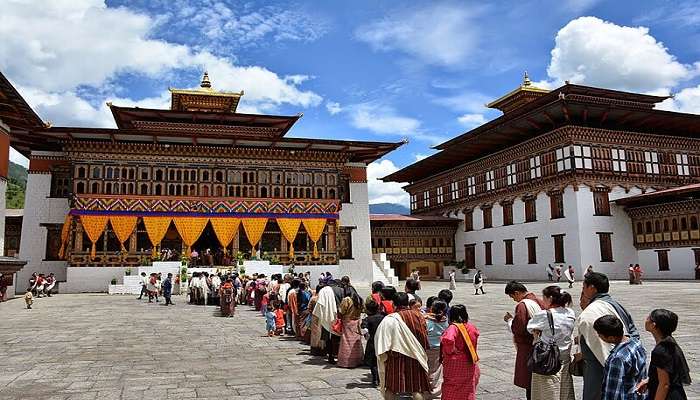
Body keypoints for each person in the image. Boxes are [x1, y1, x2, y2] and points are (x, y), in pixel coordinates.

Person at [576, 272, 640, 400]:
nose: (583, 291)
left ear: (592, 288)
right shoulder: (616, 305)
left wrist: (615, 368)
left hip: (599, 371)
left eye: (584, 287)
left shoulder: (591, 312)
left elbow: (602, 348)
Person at [375, 292, 430, 399]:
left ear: (393, 304)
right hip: (415, 356)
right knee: (416, 389)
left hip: (395, 358)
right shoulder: (419, 316)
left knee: (391, 389)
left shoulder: (389, 319)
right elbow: (424, 336)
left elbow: (383, 341)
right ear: (408, 303)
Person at [527, 286, 576, 400]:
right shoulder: (570, 312)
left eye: (544, 297)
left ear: (550, 298)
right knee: (565, 387)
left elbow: (530, 327)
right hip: (564, 356)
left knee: (547, 390)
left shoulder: (545, 314)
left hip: (548, 357)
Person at [636, 309, 691, 400]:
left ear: (654, 325)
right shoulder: (670, 343)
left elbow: (664, 384)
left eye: (648, 318)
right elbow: (668, 373)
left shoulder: (661, 350)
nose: (646, 319)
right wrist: (649, 381)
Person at [504, 281, 545, 400]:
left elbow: (520, 328)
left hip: (528, 346)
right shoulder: (539, 300)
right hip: (541, 343)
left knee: (529, 379)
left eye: (512, 297)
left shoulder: (522, 305)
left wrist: (510, 320)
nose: (514, 300)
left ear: (517, 293)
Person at [593, 315, 646, 400]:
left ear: (611, 337)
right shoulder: (635, 343)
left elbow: (613, 390)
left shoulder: (617, 358)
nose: (599, 337)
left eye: (600, 335)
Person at [441, 304, 480, 400]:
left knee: (452, 386)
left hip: (455, 364)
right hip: (469, 361)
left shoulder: (453, 327)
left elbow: (448, 339)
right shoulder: (471, 327)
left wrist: (451, 350)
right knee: (468, 386)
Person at [337, 277, 364, 368]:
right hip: (356, 322)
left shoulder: (347, 300)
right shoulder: (359, 299)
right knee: (356, 341)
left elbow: (341, 311)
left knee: (347, 342)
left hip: (347, 322)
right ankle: (358, 360)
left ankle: (347, 361)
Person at [425, 299, 449, 398]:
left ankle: (428, 388)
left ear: (432, 308)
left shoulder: (427, 321)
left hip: (428, 347)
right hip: (440, 348)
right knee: (437, 369)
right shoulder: (445, 320)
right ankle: (436, 390)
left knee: (427, 368)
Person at [313, 283, 340, 363]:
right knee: (335, 337)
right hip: (335, 317)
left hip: (325, 316)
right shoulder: (338, 291)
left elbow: (319, 304)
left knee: (327, 337)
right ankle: (334, 354)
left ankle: (330, 355)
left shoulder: (323, 292)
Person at [362, 299, 385, 387]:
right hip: (383, 341)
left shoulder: (367, 319)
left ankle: (375, 379)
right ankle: (381, 378)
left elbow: (364, 330)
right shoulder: (383, 317)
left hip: (372, 343)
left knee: (373, 363)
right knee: (382, 361)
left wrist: (366, 336)